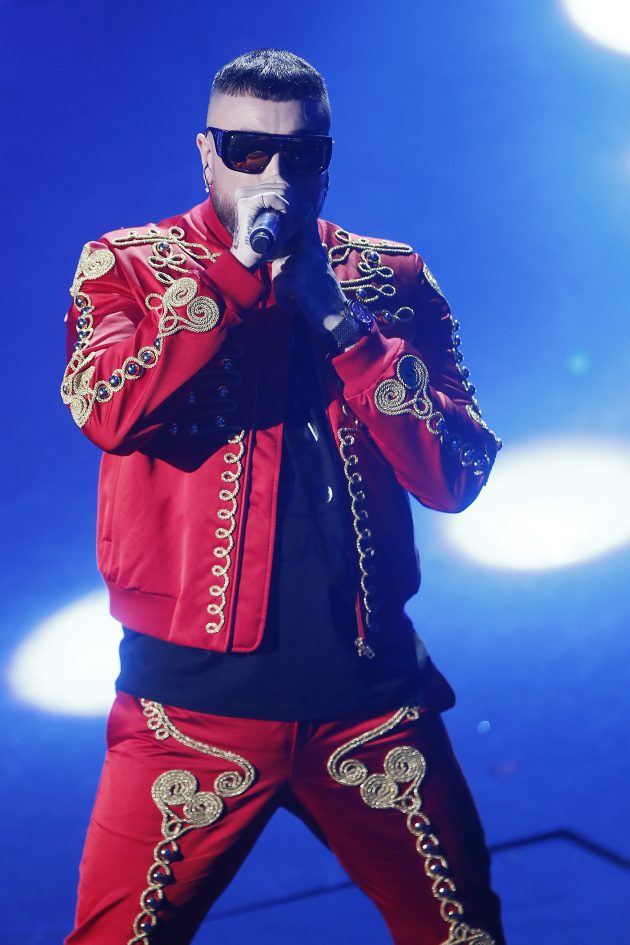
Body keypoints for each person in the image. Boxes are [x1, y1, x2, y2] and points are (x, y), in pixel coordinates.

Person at [61, 48, 505, 945]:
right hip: (187, 717)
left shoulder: (390, 279)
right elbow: (106, 410)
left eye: (300, 155)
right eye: (246, 149)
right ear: (206, 153)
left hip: (374, 707)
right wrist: (230, 281)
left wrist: (343, 322)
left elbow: (456, 473)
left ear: (326, 161)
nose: (274, 176)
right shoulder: (128, 267)